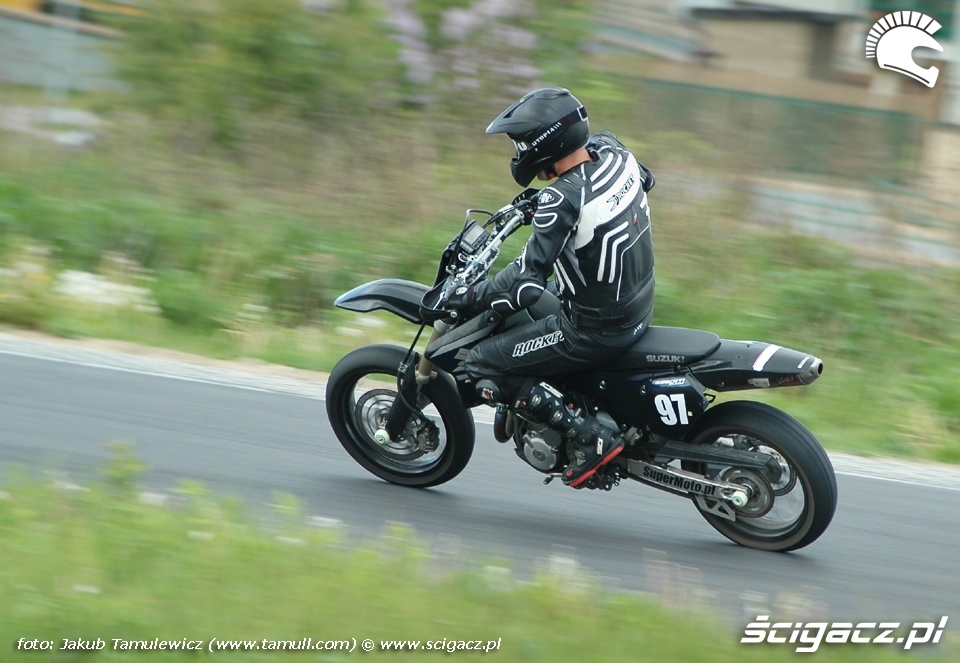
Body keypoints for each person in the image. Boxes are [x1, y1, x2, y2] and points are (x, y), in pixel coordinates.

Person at [447, 87, 656, 488]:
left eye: (520, 144)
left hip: (595, 329)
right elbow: (645, 178)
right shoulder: (616, 155)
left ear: (543, 144)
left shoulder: (561, 199)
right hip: (637, 302)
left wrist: (466, 296)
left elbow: (524, 283)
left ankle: (589, 438)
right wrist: (541, 204)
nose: (517, 152)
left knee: (480, 363)